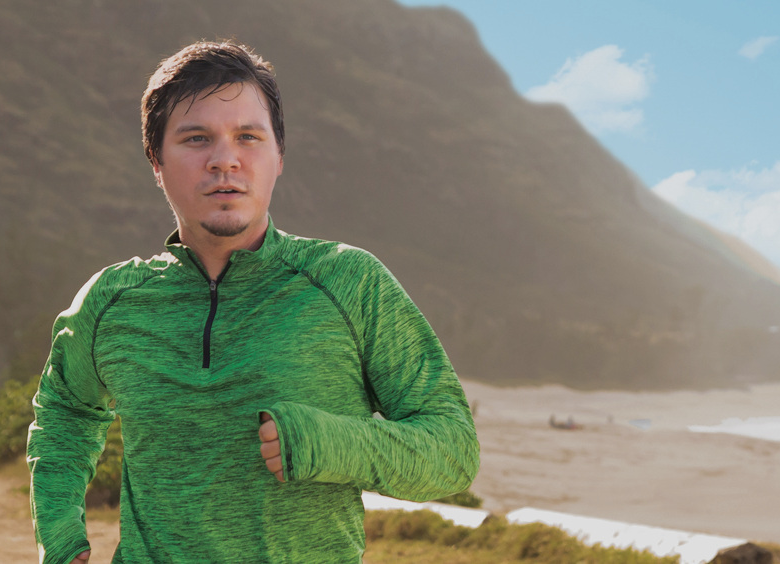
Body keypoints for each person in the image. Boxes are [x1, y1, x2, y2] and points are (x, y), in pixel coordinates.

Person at [26, 40, 480, 563]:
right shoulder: (111, 301)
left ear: (278, 156)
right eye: (196, 139)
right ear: (156, 161)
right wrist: (60, 538)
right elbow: (64, 414)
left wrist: (327, 444)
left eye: (248, 136)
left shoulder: (350, 282)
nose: (225, 160)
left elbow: (453, 451)